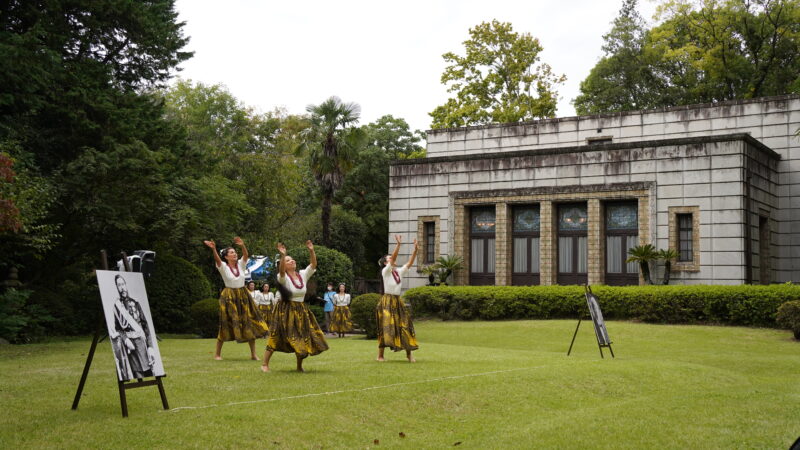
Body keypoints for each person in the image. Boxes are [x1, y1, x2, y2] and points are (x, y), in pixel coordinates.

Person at [261, 240, 328, 372]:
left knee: (301, 336)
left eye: (292, 260)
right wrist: (282, 255)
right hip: (284, 310)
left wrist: (311, 250)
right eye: (288, 261)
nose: (292, 261)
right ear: (283, 265)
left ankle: (299, 366)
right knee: (276, 335)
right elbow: (280, 272)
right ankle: (265, 364)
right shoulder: (282, 277)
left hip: (300, 309)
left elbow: (313, 265)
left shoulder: (302, 274)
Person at [203, 237, 268, 361]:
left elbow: (245, 255)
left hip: (243, 295)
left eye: (235, 252)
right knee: (225, 323)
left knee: (248, 322)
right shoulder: (223, 266)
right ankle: (217, 354)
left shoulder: (240, 264)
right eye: (232, 252)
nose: (235, 254)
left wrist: (242, 245)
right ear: (226, 257)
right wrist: (214, 249)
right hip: (229, 296)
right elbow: (217, 260)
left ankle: (253, 354)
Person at [376, 235, 419, 362]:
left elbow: (409, 264)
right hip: (387, 301)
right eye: (389, 258)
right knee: (386, 327)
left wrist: (415, 250)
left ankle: (409, 354)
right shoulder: (385, 271)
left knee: (405, 325)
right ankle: (380, 355)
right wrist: (398, 245)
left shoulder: (398, 271)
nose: (392, 259)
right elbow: (393, 258)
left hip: (397, 301)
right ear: (385, 263)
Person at [111, 274, 155, 379]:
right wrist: (126, 340)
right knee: (137, 374)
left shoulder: (135, 303)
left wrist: (150, 346)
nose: (122, 287)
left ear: (126, 285)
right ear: (117, 287)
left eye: (123, 284)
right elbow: (118, 329)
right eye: (119, 285)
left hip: (142, 344)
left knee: (149, 373)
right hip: (130, 348)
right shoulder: (117, 307)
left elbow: (145, 325)